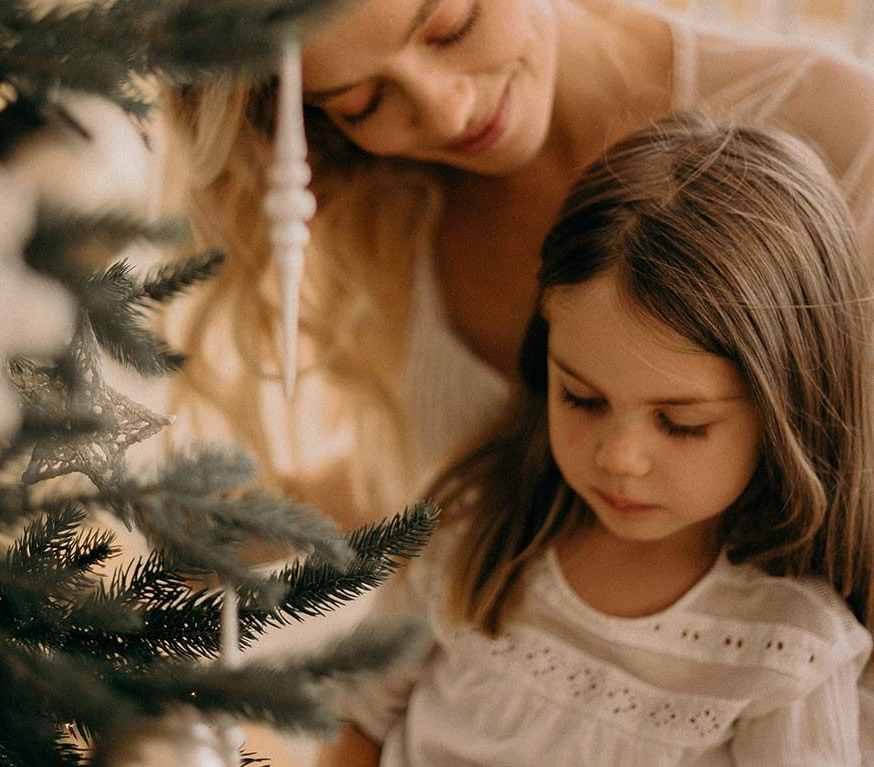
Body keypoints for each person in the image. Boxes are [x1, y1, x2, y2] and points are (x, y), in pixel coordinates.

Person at [161, 0, 874, 530]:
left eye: (451, 26)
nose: (445, 111)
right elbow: (465, 469)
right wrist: (256, 520)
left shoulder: (839, 132)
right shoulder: (393, 195)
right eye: (363, 101)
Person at [316, 113, 874, 766]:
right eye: (581, 398)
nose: (618, 457)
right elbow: (355, 720)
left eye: (681, 423)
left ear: (787, 410)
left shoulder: (788, 650)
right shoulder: (474, 531)